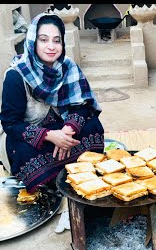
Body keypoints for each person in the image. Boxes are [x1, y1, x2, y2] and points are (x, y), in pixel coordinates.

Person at [0, 12, 104, 193]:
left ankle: (71, 165)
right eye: (43, 40)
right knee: (24, 151)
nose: (51, 47)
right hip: (30, 132)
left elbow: (82, 105)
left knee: (93, 125)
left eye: (57, 41)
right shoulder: (16, 75)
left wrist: (67, 131)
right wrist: (50, 136)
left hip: (61, 126)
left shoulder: (68, 66)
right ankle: (52, 176)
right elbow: (11, 124)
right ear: (33, 42)